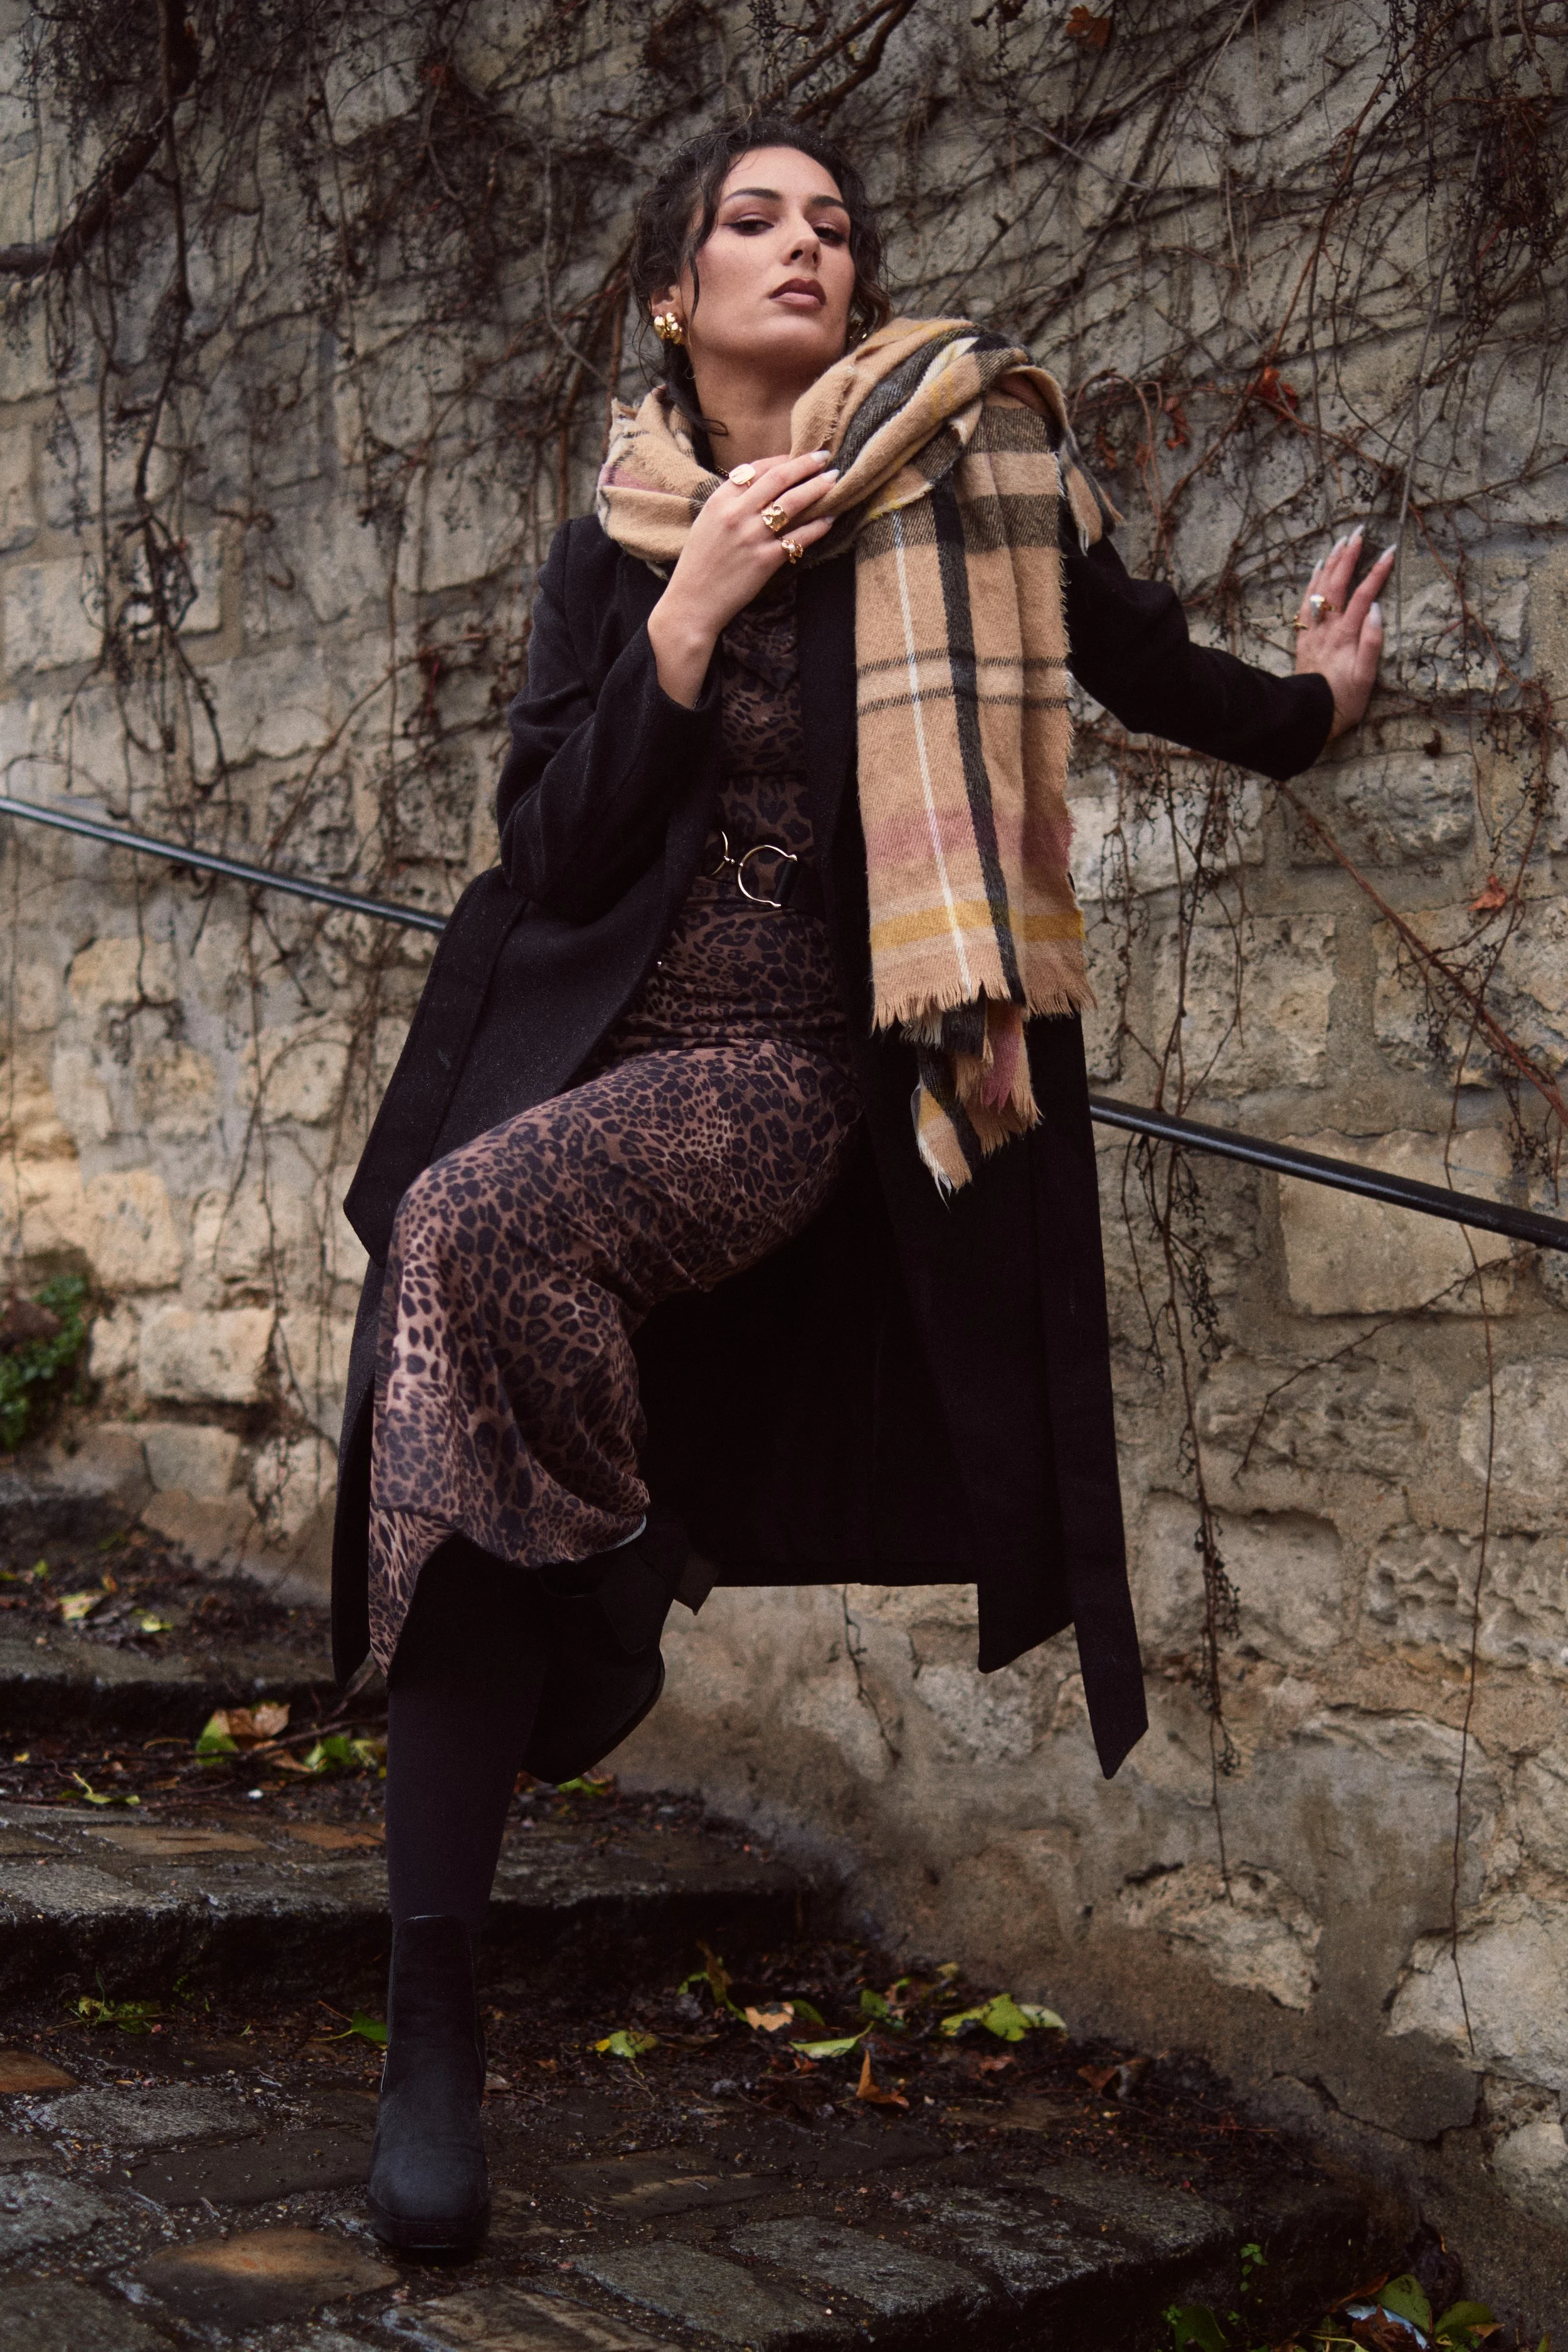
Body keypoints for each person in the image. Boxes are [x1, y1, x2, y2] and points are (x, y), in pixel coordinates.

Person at [331, 116, 1392, 2253]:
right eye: (750, 220)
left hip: (785, 1064)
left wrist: (1309, 704)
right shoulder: (617, 543)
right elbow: (550, 849)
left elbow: (1142, 662)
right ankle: (429, 2029)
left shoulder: (962, 477)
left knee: (459, 1238)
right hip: (571, 1049)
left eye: (831, 224)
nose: (801, 246)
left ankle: (610, 1573)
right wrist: (685, 617)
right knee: (446, 1487)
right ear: (673, 295)